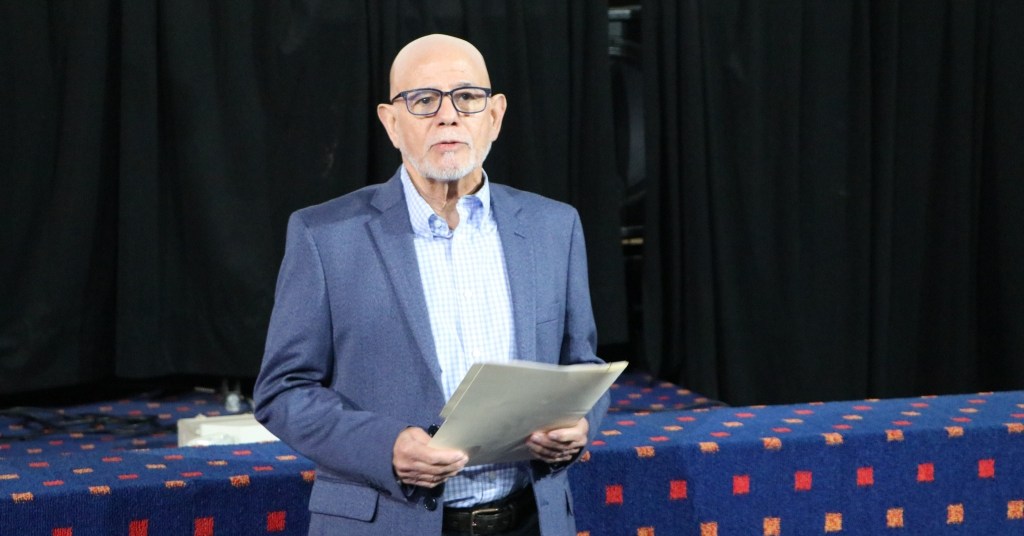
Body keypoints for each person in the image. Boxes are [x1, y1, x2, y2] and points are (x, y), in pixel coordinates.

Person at [253, 33, 610, 536]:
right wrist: (386, 447)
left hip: (531, 520)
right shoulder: (324, 236)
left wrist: (580, 425)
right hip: (386, 523)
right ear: (391, 123)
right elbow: (283, 391)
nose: (448, 116)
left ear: (495, 116)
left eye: (467, 97)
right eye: (423, 100)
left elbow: (582, 367)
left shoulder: (555, 227)